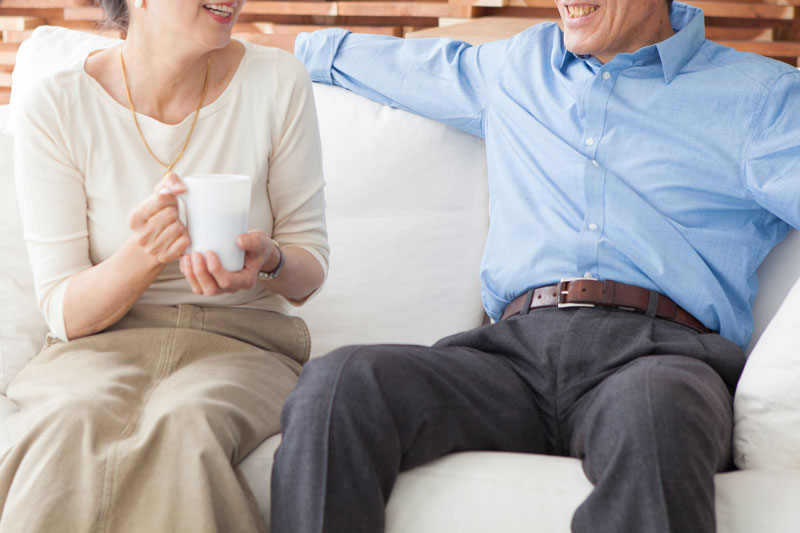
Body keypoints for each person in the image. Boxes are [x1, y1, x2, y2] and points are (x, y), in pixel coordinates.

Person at [270, 1, 800, 532]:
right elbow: (374, 61)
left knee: (655, 413)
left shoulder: (761, 99)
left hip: (657, 355)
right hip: (509, 358)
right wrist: (244, 54)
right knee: (339, 385)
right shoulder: (517, 67)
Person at [4, 0, 327, 531]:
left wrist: (269, 259)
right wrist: (145, 255)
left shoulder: (277, 82)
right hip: (98, 348)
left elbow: (310, 266)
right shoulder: (57, 102)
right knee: (71, 421)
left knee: (188, 422)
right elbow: (64, 310)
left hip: (245, 344)